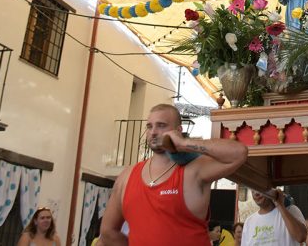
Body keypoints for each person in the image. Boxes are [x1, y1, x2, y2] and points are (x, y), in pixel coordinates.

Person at [100, 104, 248, 245]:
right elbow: (108, 232)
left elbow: (239, 153)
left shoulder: (193, 170)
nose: (153, 132)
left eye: (161, 125)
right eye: (149, 126)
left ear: (178, 130)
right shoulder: (127, 176)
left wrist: (183, 143)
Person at [241, 188, 307, 245]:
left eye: (259, 189)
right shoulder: (249, 222)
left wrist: (280, 205)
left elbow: (301, 236)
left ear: (271, 189)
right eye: (252, 190)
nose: (256, 194)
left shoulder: (291, 210)